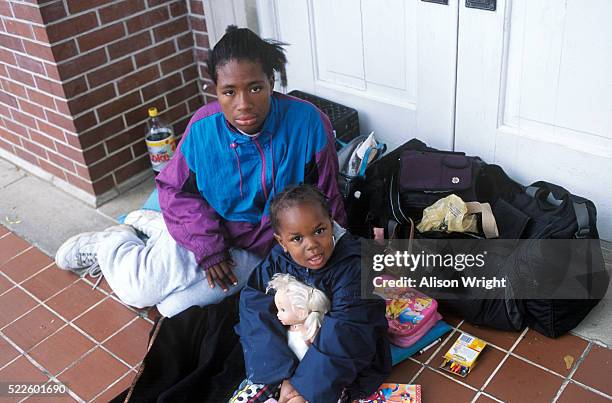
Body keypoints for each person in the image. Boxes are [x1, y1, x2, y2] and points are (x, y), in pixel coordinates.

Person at [54, 26, 346, 318]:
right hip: (205, 227)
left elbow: (328, 200)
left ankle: (151, 230)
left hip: (261, 246)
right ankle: (112, 243)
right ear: (216, 91)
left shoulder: (308, 123)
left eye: (255, 88)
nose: (243, 104)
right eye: (229, 92)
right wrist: (209, 248)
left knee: (173, 309)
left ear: (271, 81)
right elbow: (172, 189)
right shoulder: (203, 128)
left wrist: (342, 264)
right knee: (139, 290)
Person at [235, 184, 391, 403]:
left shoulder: (354, 267)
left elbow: (348, 334)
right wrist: (280, 374)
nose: (312, 245)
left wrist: (304, 388)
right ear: (282, 242)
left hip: (337, 368)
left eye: (319, 231)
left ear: (331, 222)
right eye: (297, 238)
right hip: (288, 358)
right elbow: (254, 304)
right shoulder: (278, 259)